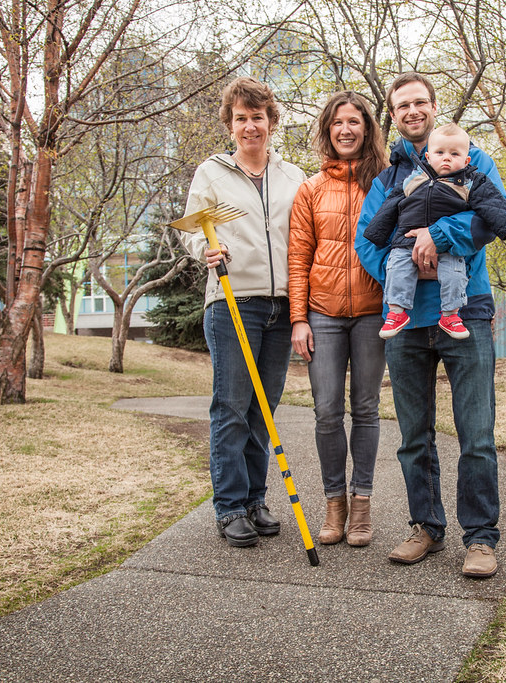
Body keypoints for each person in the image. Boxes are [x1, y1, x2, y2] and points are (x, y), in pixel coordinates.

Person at [354, 72, 506, 579]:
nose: (413, 110)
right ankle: (425, 526)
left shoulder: (471, 159)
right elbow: (367, 242)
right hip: (405, 322)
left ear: (434, 106)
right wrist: (408, 261)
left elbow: (489, 217)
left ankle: (481, 538)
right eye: (403, 105)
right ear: (393, 114)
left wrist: (435, 240)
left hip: (467, 311)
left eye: (421, 101)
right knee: (413, 436)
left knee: (477, 432)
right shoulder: (387, 177)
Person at [177, 76, 305, 548]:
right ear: (230, 125)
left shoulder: (293, 176)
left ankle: (255, 499)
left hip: (281, 303)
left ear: (272, 121)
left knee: (262, 410)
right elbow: (192, 231)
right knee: (231, 407)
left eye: (258, 117)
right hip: (233, 303)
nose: (250, 126)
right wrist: (204, 248)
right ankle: (229, 506)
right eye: (240, 119)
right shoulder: (211, 173)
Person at [288, 91, 389, 547]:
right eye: (337, 123)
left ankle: (362, 504)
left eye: (355, 121)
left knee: (365, 410)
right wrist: (298, 318)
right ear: (327, 131)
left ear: (367, 129)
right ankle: (334, 504)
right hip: (323, 314)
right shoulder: (310, 190)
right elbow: (298, 258)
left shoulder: (385, 183)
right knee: (327, 411)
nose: (346, 129)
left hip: (372, 313)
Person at [363, 122, 506, 341]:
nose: (446, 158)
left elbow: (492, 205)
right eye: (440, 153)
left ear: (466, 160)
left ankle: (451, 314)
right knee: (397, 268)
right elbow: (389, 207)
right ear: (428, 157)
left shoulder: (471, 180)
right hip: (405, 243)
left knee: (454, 275)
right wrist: (376, 234)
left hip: (451, 252)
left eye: (454, 154)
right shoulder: (410, 180)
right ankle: (397, 312)